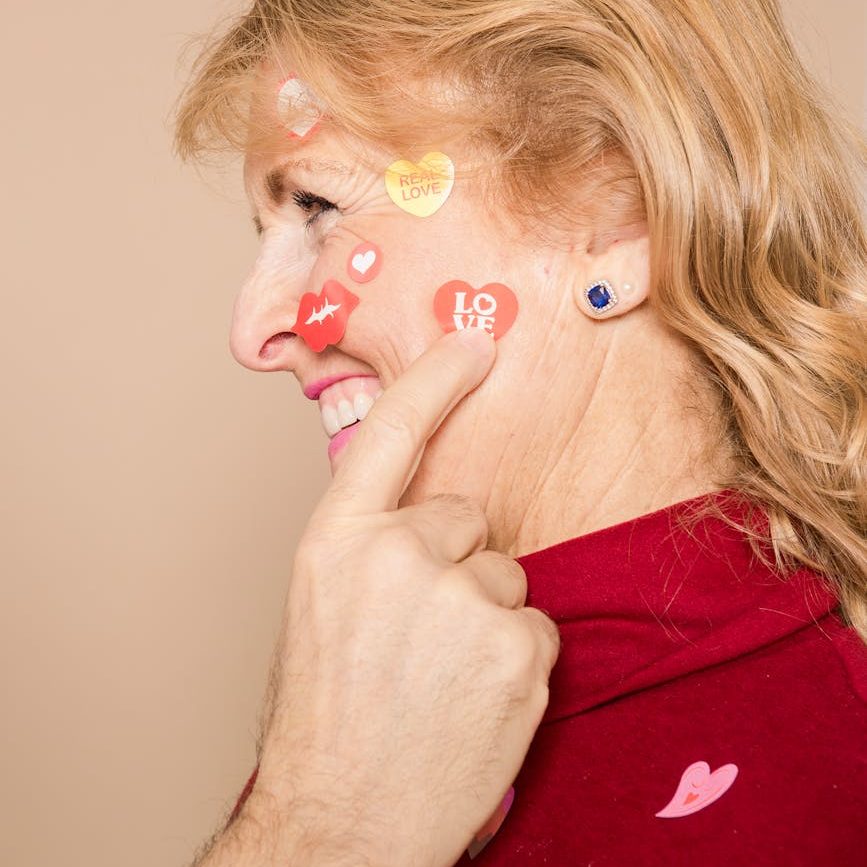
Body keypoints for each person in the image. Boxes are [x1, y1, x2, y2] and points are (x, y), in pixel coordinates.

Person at [173, 1, 867, 864]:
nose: (252, 331)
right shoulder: (367, 713)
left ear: (618, 223)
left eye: (317, 204)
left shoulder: (831, 774)